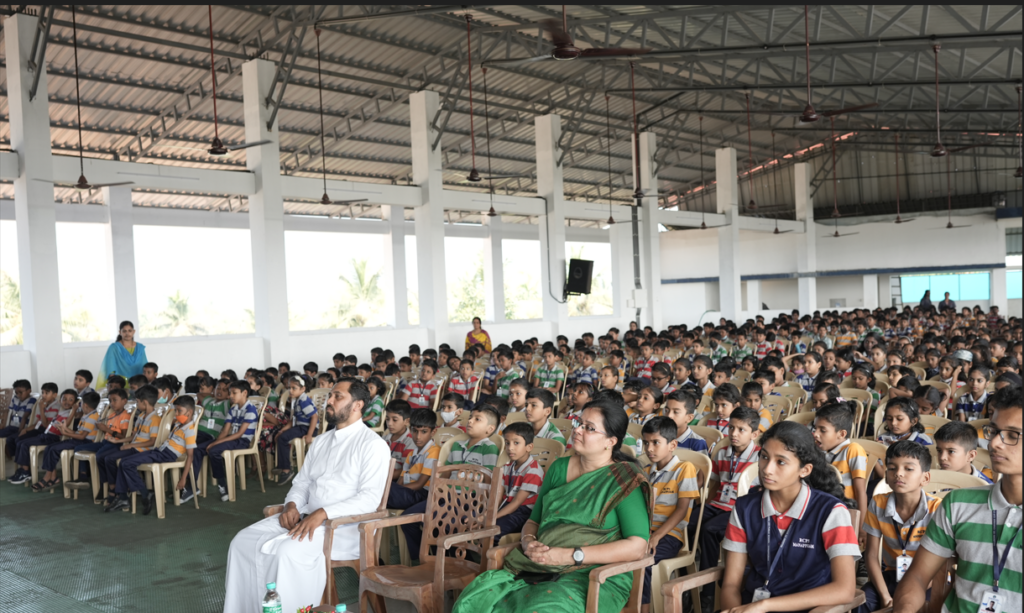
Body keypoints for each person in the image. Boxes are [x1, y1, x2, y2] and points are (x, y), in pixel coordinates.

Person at [451, 397, 652, 613]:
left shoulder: (624, 479)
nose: (577, 430)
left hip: (595, 574)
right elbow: (533, 521)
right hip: (537, 564)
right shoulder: (559, 468)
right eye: (578, 423)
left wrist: (570, 555)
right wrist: (528, 542)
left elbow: (638, 546)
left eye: (589, 428)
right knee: (471, 601)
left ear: (610, 441)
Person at [223, 378, 391, 613]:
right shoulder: (321, 442)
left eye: (337, 397)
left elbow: (369, 499)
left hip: (344, 528)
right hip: (305, 518)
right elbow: (301, 483)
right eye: (330, 396)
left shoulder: (372, 445)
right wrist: (291, 505)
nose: (329, 401)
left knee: (286, 553)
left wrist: (322, 514)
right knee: (241, 541)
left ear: (358, 405)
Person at [893, 385, 1022, 613]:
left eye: (1012, 435)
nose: (994, 443)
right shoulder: (958, 503)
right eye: (994, 431)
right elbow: (917, 577)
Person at [719, 421, 860, 613]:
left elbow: (844, 590)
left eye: (781, 461)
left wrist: (765, 605)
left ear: (805, 470)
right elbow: (730, 585)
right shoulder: (745, 508)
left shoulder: (831, 511)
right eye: (764, 457)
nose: (767, 469)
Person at [862, 441, 941, 611]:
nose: (898, 474)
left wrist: (907, 595)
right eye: (892, 468)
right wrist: (885, 595)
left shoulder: (937, 510)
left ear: (925, 478)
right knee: (864, 601)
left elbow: (944, 563)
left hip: (927, 579)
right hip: (891, 575)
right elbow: (871, 555)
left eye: (908, 469)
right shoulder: (878, 503)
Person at [641, 416, 700, 612]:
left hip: (668, 536)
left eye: (656, 442)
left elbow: (682, 510)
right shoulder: (645, 471)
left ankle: (644, 609)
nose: (649, 448)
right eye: (646, 442)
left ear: (672, 444)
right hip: (643, 532)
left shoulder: (684, 469)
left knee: (644, 564)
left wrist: (657, 536)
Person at [495, 421, 545, 542]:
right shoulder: (507, 467)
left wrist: (491, 518)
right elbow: (498, 496)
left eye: (516, 443)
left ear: (529, 447)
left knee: (493, 531)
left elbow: (517, 502)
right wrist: (490, 513)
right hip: (507, 506)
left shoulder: (533, 471)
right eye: (507, 443)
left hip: (523, 512)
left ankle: (494, 558)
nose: (510, 447)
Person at [97, 321, 149, 391]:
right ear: (120, 332)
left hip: (137, 382)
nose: (127, 333)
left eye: (129, 331)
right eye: (124, 331)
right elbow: (111, 367)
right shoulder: (114, 347)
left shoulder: (140, 348)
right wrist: (114, 384)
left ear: (134, 331)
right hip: (120, 382)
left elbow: (144, 365)